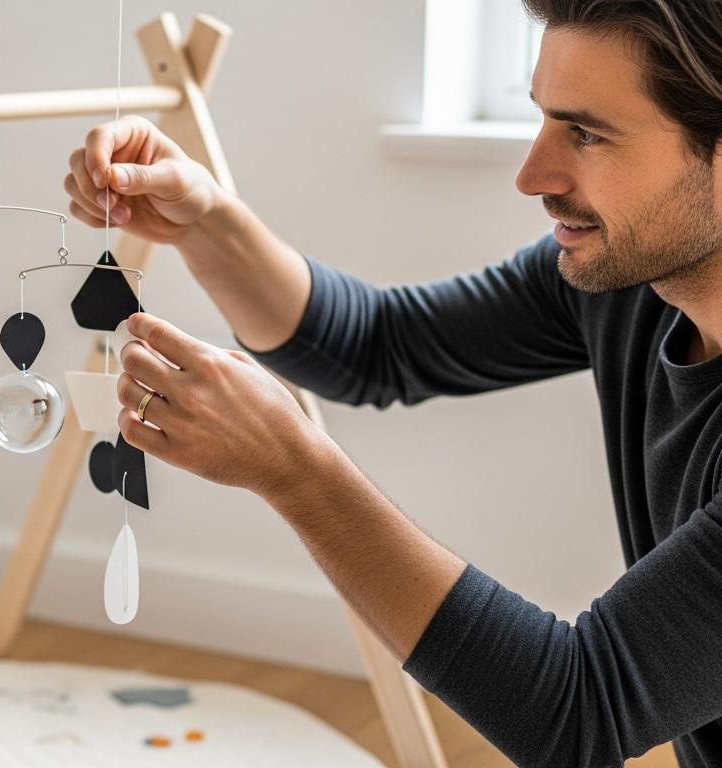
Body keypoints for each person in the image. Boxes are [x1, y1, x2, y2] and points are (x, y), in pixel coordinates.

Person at [63, 1, 722, 766]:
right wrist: (204, 220)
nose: (531, 175)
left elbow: (581, 709)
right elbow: (379, 345)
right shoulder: (626, 288)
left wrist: (295, 469)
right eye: (542, 117)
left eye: (586, 132)